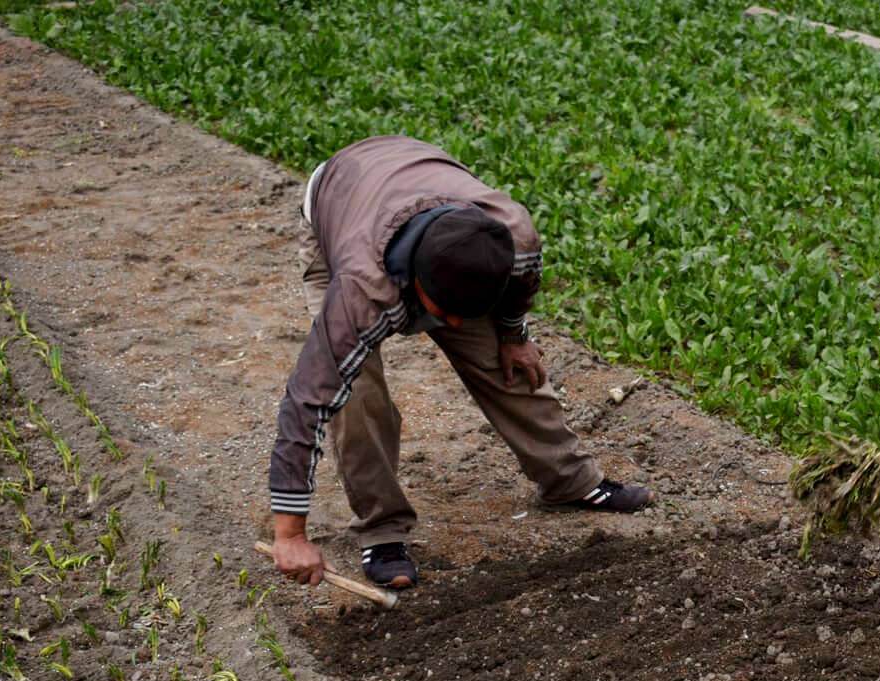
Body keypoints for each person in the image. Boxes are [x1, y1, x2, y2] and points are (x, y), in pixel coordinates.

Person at [267, 135, 651, 590]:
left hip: (414, 182)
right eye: (441, 313)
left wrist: (511, 334)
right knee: (357, 396)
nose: (447, 324)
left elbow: (519, 288)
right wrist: (289, 534)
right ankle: (383, 530)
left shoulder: (512, 237)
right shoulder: (360, 290)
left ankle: (569, 480)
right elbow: (308, 400)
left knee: (501, 358)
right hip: (341, 207)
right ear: (415, 282)